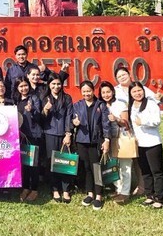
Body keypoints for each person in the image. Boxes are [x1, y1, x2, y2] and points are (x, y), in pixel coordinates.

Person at [71, 81, 111, 210]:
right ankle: (90, 193)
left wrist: (107, 140)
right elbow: (72, 120)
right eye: (84, 91)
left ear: (93, 91)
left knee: (96, 168)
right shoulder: (77, 105)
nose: (86, 93)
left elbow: (106, 124)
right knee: (87, 167)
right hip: (82, 141)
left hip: (95, 141)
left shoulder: (101, 105)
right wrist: (74, 123)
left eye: (88, 90)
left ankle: (98, 195)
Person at [128, 82, 163, 209]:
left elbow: (157, 121)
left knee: (157, 171)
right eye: (134, 91)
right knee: (145, 171)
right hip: (140, 143)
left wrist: (143, 122)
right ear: (130, 93)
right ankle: (150, 196)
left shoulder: (151, 103)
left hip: (152, 143)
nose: (137, 93)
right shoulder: (132, 105)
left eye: (139, 90)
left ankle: (160, 199)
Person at [41, 73, 74, 203]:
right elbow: (41, 118)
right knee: (52, 163)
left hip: (63, 135)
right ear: (49, 85)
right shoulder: (45, 98)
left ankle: (66, 190)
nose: (56, 86)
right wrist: (46, 109)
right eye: (53, 84)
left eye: (58, 84)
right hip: (49, 133)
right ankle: (55, 189)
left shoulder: (66, 98)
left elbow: (69, 116)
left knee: (65, 162)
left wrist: (68, 133)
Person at [99, 81, 131, 204]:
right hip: (108, 139)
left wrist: (116, 119)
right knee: (113, 165)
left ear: (113, 91)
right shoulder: (101, 105)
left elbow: (126, 123)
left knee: (125, 166)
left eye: (108, 91)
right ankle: (118, 188)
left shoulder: (120, 104)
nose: (106, 94)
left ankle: (125, 192)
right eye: (103, 92)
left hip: (121, 138)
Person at [14, 77, 42, 202]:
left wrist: (32, 111)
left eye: (25, 85)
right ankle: (25, 187)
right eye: (21, 86)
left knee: (33, 164)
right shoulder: (17, 100)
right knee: (24, 164)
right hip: (21, 135)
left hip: (33, 135)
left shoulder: (34, 98)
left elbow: (39, 116)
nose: (24, 88)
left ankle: (34, 189)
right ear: (17, 88)